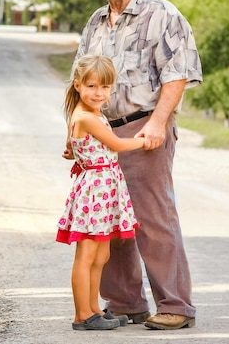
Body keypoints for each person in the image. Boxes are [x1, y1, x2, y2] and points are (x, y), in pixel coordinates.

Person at [67, 0, 203, 330]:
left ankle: (176, 305)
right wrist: (73, 134)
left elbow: (179, 73)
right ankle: (125, 303)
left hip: (145, 129)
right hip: (100, 132)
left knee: (153, 217)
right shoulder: (95, 22)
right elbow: (79, 80)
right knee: (110, 221)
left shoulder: (162, 14)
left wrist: (159, 122)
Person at [56, 54, 144, 331]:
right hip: (95, 191)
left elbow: (78, 146)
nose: (99, 93)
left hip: (106, 189)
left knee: (102, 255)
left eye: (105, 87)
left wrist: (73, 149)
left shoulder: (92, 114)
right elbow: (116, 144)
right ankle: (82, 314)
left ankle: (94, 308)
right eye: (92, 86)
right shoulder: (87, 117)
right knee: (87, 254)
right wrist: (144, 140)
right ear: (78, 86)